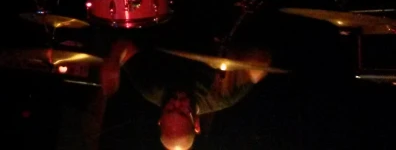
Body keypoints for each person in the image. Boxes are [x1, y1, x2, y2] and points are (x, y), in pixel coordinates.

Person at [100, 39, 269, 150]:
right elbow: (262, 61)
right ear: (196, 124)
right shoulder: (221, 96)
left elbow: (123, 46)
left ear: (160, 120)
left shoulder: (151, 88)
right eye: (182, 111)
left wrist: (114, 60)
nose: (176, 102)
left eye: (170, 109)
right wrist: (249, 63)